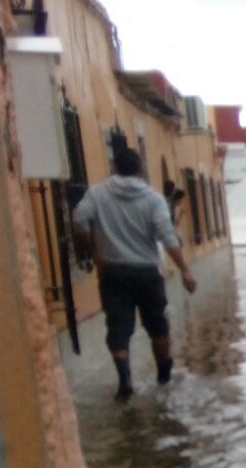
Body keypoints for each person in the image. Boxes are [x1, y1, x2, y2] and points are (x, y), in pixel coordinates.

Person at [72, 148, 197, 398]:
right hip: (147, 273)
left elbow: (78, 220)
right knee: (158, 325)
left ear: (113, 167)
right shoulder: (153, 199)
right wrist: (184, 270)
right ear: (140, 169)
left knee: (118, 328)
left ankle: (125, 380)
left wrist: (95, 254)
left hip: (113, 272)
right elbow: (167, 237)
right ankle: (163, 377)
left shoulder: (97, 194)